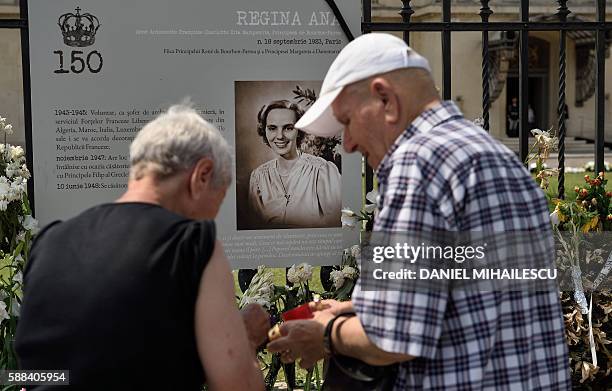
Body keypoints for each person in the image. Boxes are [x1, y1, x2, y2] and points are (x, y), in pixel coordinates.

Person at [267, 33, 570, 390]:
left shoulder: (418, 163)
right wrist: (349, 311)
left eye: (347, 121)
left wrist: (325, 333)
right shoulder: (495, 155)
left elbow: (393, 337)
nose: (347, 144)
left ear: (386, 99)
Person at [15, 105, 267, 390]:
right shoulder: (190, 244)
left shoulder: (50, 241)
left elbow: (33, 374)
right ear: (203, 176)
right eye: (218, 201)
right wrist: (243, 338)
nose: (212, 217)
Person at [248, 99, 341, 229]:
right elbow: (254, 228)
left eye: (288, 128)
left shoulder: (322, 171)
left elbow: (337, 226)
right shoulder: (258, 177)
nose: (280, 136)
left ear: (299, 131)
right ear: (265, 131)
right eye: (272, 128)